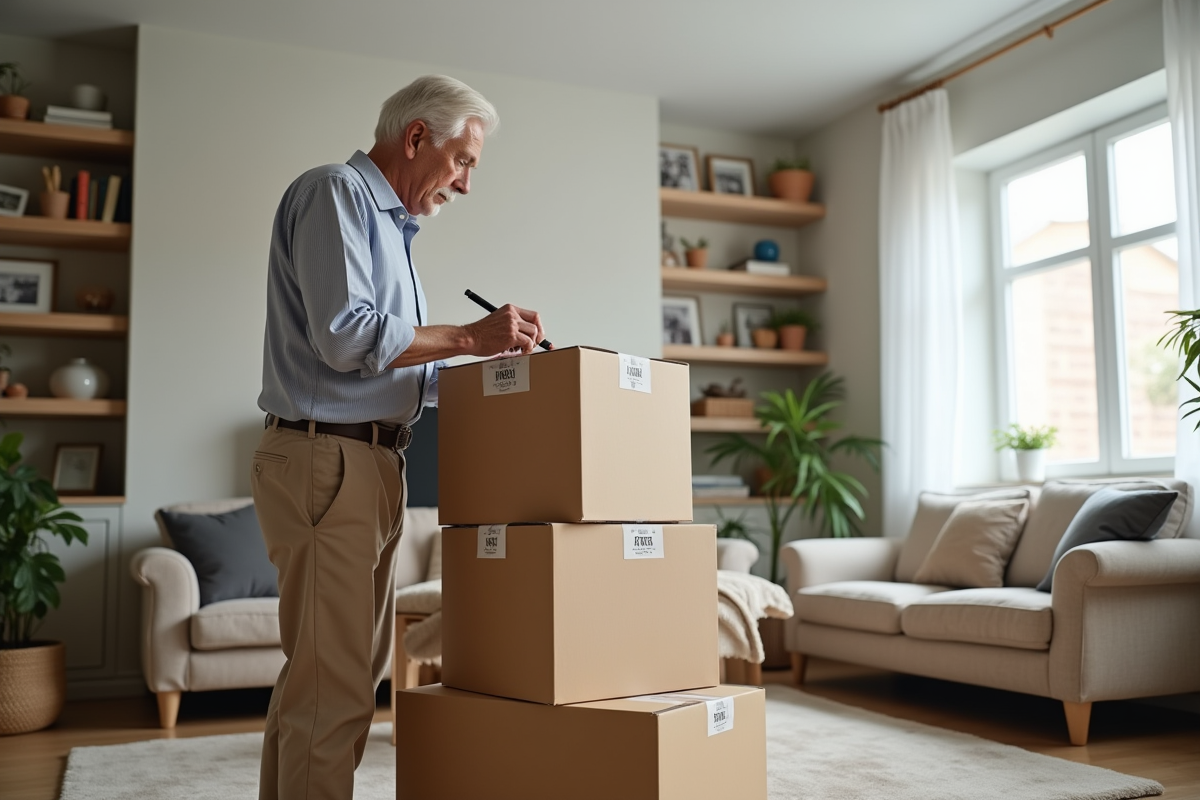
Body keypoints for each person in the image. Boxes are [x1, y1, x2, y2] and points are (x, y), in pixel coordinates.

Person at [252, 74, 548, 800]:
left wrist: (486, 362)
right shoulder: (337, 194)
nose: (466, 184)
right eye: (464, 162)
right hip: (331, 458)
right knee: (335, 690)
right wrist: (467, 333)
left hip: (370, 460)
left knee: (328, 682)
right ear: (417, 137)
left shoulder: (391, 230)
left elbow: (396, 375)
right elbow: (347, 338)